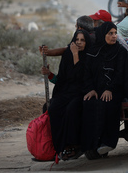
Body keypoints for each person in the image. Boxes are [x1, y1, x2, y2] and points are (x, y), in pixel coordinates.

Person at [81, 22, 127, 155]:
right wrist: (90, 89)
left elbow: (120, 73)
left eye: (115, 33)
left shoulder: (120, 51)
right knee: (88, 104)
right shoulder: (93, 52)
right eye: (110, 33)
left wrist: (110, 89)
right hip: (95, 89)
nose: (114, 36)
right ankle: (90, 144)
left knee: (108, 104)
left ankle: (107, 142)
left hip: (114, 89)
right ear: (103, 35)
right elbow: (87, 73)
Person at [47, 30, 91, 161]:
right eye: (77, 39)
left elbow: (80, 78)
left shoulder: (89, 55)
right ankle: (57, 146)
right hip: (66, 92)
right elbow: (61, 79)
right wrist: (49, 74)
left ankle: (73, 145)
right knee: (52, 108)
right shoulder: (67, 55)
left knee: (71, 109)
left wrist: (76, 55)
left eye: (82, 40)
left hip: (82, 92)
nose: (79, 42)